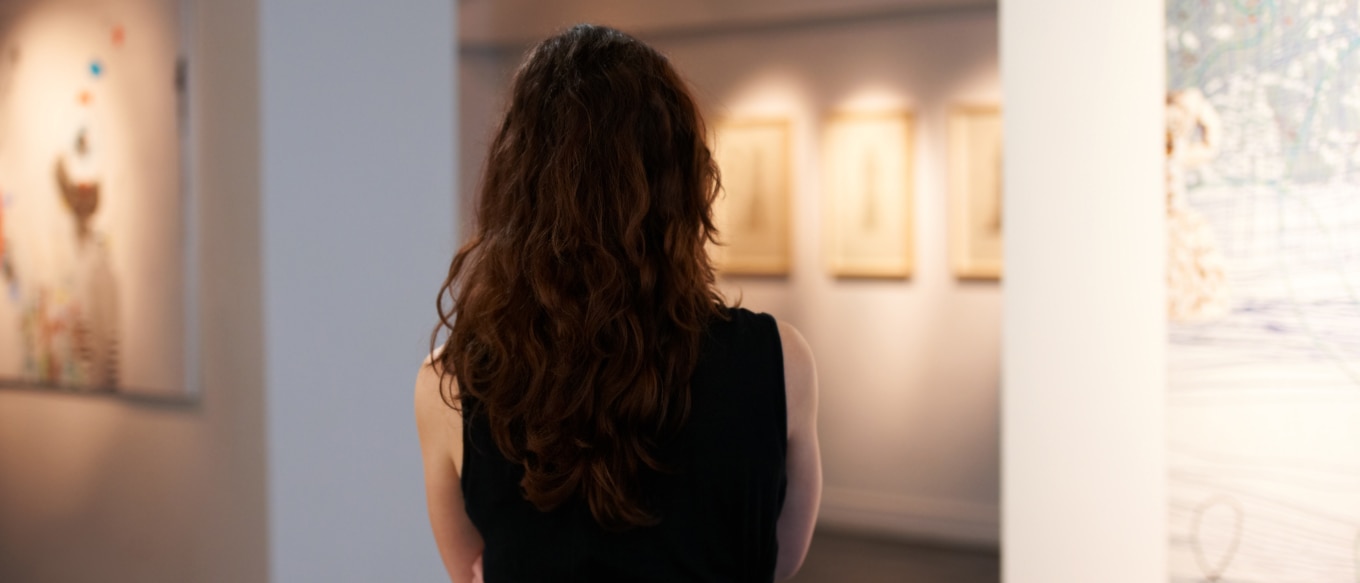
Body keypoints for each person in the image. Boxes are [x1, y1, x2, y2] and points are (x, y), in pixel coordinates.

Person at [414, 24, 821, 583]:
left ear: (516, 184)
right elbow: (778, 558)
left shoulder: (450, 383)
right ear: (685, 181)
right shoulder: (779, 359)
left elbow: (472, 571)